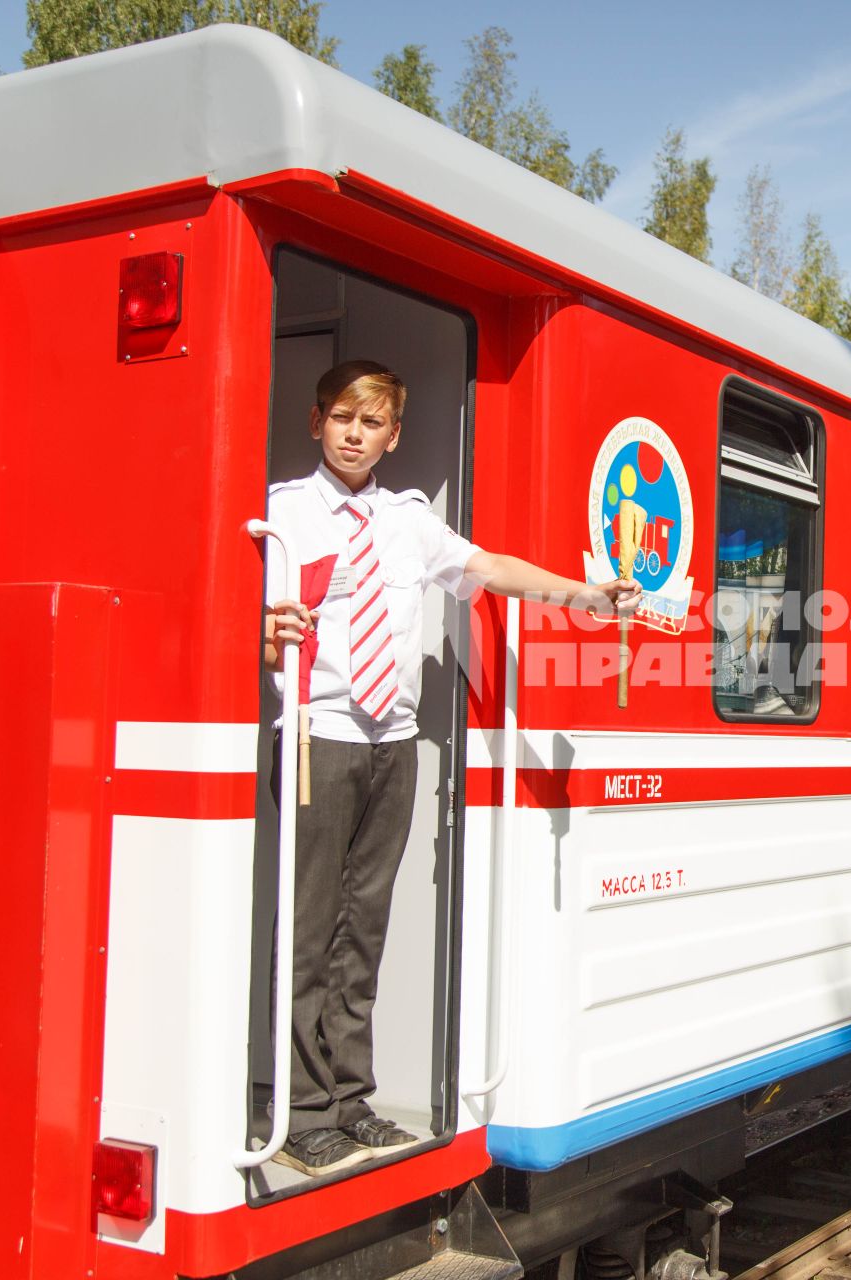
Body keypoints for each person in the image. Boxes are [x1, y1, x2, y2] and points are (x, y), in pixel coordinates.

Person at [263, 360, 638, 1176]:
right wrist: (262, 634)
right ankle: (299, 1106)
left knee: (363, 928)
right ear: (316, 422)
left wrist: (583, 595)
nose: (355, 434)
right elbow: (240, 623)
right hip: (317, 738)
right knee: (308, 926)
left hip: (392, 744)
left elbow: (491, 568)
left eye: (372, 423)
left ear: (393, 437)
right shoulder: (281, 516)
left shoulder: (409, 523)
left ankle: (350, 1098)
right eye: (342, 419)